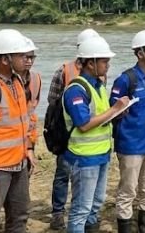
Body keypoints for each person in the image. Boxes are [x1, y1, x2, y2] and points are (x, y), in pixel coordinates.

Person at [62, 37, 129, 233]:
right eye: (104, 61)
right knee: (81, 209)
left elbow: (100, 118)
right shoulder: (77, 89)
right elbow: (83, 124)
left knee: (95, 205)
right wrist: (115, 108)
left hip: (100, 154)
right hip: (84, 158)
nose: (108, 65)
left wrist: (116, 113)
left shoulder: (98, 86)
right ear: (90, 63)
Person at [0, 29, 35, 233]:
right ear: (5, 59)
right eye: (21, 56)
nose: (27, 60)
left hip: (19, 165)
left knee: (19, 218)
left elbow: (23, 121)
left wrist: (28, 150)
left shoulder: (17, 81)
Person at [46, 28, 101, 230]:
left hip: (88, 139)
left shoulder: (98, 75)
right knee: (62, 174)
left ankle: (86, 214)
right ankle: (58, 212)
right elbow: (52, 103)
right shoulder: (64, 70)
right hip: (67, 133)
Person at [109, 29, 145, 233]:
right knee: (128, 191)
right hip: (131, 144)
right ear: (140, 53)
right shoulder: (126, 79)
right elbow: (113, 111)